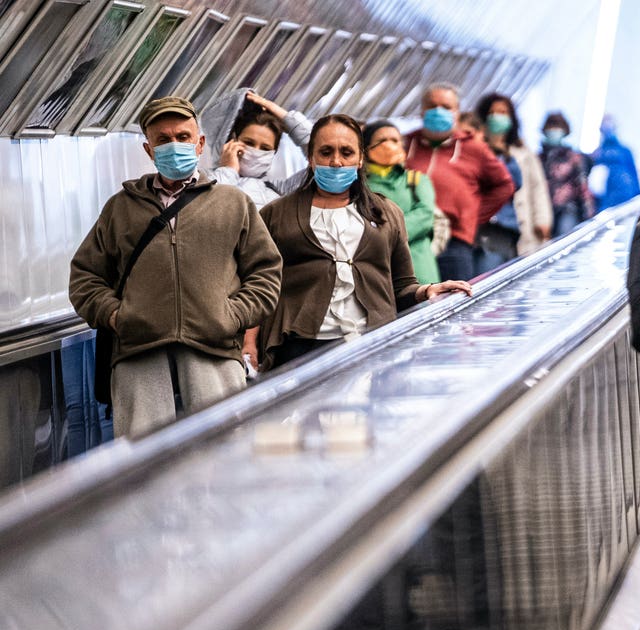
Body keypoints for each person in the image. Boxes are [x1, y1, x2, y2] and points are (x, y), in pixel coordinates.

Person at [69, 96, 282, 437]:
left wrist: (232, 315)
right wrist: (116, 316)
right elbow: (85, 277)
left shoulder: (233, 203)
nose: (174, 146)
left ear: (199, 143)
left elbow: (266, 273)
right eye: (163, 140)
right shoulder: (121, 208)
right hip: (139, 353)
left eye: (183, 137)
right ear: (149, 150)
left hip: (214, 350)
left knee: (221, 451)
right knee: (144, 463)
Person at [256, 114, 472, 370]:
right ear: (311, 159)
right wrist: (251, 343)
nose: (336, 162)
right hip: (299, 350)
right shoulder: (276, 214)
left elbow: (401, 285)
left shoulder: (387, 213)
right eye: (325, 152)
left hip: (372, 346)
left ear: (360, 159)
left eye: (346, 152)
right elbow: (259, 285)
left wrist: (427, 291)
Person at [404, 83, 515, 282]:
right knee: (410, 306)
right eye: (432, 105)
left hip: (453, 242)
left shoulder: (473, 148)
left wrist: (472, 214)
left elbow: (504, 185)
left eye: (446, 107)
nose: (438, 111)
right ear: (421, 111)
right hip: (409, 240)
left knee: (453, 304)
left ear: (457, 112)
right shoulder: (405, 144)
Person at [206, 89, 315, 208]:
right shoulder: (201, 178)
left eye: (265, 148)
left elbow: (325, 158)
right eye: (249, 142)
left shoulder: (280, 192)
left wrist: (287, 119)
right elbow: (207, 209)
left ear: (274, 152)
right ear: (232, 140)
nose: (256, 151)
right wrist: (228, 171)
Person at [362, 119, 441, 285]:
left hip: (420, 269)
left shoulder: (415, 180)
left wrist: (388, 235)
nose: (391, 145)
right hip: (382, 273)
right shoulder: (361, 186)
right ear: (367, 148)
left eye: (396, 140)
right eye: (382, 140)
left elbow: (425, 215)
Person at [475, 92, 553, 257]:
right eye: (492, 113)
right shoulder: (475, 149)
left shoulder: (523, 153)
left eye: (503, 112)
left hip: (518, 224)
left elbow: (537, 188)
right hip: (486, 228)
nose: (497, 117)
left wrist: (542, 220)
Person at [460, 107, 524, 275]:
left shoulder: (500, 159)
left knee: (485, 281)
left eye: (468, 134)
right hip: (466, 236)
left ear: (481, 134)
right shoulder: (454, 160)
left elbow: (512, 186)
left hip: (495, 233)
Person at [539, 112, 595, 237]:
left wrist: (589, 214)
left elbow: (583, 186)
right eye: (551, 127)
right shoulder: (538, 159)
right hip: (543, 211)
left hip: (567, 210)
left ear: (564, 130)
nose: (554, 130)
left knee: (563, 238)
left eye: (557, 127)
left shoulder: (573, 158)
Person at [590, 114, 640, 211]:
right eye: (605, 124)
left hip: (628, 198)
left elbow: (633, 173)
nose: (608, 127)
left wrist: (638, 195)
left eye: (609, 123)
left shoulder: (625, 151)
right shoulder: (597, 154)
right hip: (608, 203)